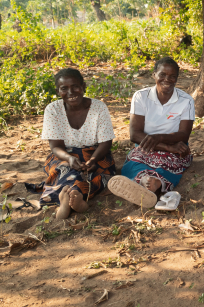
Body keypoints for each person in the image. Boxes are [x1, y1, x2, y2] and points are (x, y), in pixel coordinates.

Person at [26, 68, 116, 219]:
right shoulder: (53, 110)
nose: (71, 92)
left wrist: (93, 159)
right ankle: (73, 199)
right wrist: (69, 158)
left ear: (83, 87)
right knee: (65, 169)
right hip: (64, 154)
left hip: (96, 153)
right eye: (64, 88)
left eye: (75, 86)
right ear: (57, 91)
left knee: (100, 173)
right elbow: (56, 147)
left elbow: (106, 142)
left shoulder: (98, 108)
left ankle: (71, 197)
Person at [109, 57, 194, 208]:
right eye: (162, 74)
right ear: (154, 75)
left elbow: (184, 135)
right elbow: (135, 134)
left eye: (172, 76)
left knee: (169, 163)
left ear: (177, 79)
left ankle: (153, 184)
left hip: (176, 146)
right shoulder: (141, 96)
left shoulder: (185, 100)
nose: (167, 79)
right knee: (136, 160)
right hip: (147, 145)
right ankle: (146, 181)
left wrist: (159, 138)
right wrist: (166, 146)